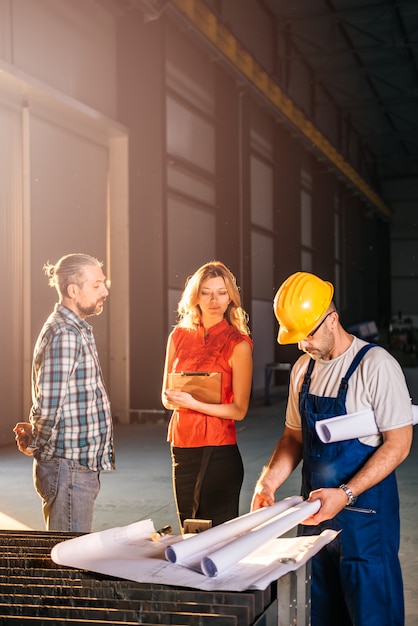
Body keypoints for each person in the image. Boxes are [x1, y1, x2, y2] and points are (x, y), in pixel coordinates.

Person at [251, 271, 413, 626]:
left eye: (307, 334)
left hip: (365, 519)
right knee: (319, 612)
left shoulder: (376, 366)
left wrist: (346, 493)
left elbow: (399, 444)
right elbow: (293, 437)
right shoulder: (302, 370)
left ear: (332, 319)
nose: (301, 345)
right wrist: (268, 483)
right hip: (313, 515)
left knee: (373, 614)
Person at [13, 253, 114, 533]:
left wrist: (36, 433)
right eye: (97, 285)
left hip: (75, 465)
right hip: (69, 466)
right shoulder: (66, 333)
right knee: (68, 556)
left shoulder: (75, 329)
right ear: (73, 290)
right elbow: (49, 403)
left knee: (71, 549)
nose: (105, 291)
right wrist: (37, 443)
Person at [162, 261, 253, 532]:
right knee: (189, 533)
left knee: (216, 539)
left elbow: (239, 410)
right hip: (181, 448)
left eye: (222, 292)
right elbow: (166, 398)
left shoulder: (238, 344)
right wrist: (175, 400)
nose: (214, 300)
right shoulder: (177, 336)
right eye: (206, 292)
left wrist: (193, 403)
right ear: (196, 297)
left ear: (230, 298)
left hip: (218, 451)